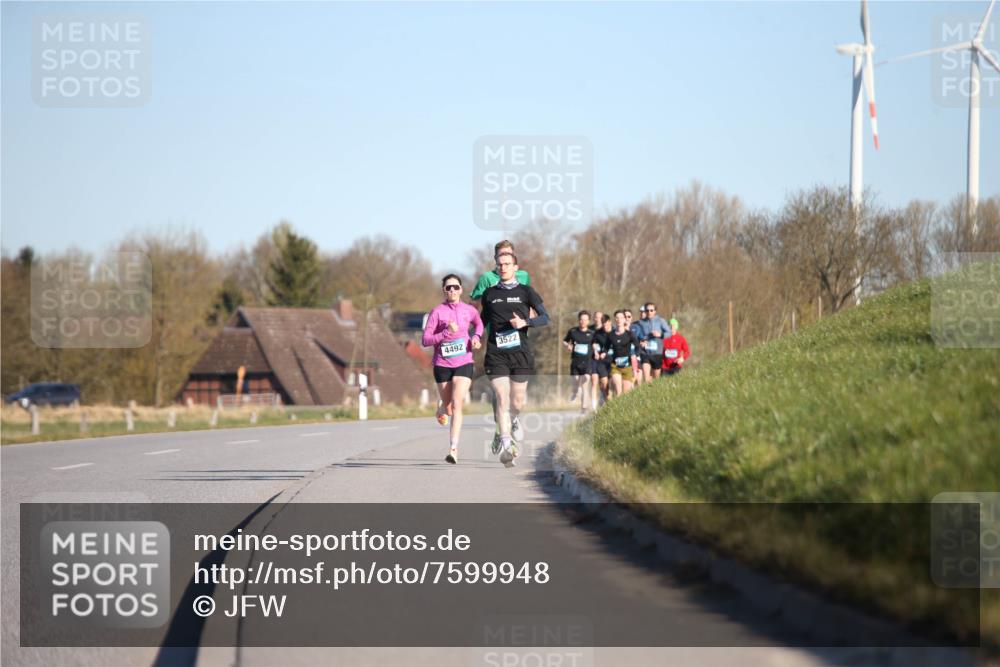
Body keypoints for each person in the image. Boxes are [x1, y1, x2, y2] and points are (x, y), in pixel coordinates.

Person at [480, 253, 548, 467]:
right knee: (501, 397)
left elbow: (545, 317)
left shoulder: (526, 292)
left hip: (520, 352)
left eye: (507, 264)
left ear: (515, 267)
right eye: (499, 264)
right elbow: (481, 322)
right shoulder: (489, 294)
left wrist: (525, 323)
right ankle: (507, 444)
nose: (503, 267)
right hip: (496, 353)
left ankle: (513, 419)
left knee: (517, 401)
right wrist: (473, 336)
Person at [421, 274, 484, 464]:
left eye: (455, 287)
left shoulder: (469, 310)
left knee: (457, 403)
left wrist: (476, 338)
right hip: (442, 364)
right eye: (448, 288)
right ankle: (441, 406)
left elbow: (479, 324)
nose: (452, 291)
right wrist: (447, 332)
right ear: (444, 291)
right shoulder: (437, 312)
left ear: (461, 289)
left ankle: (453, 449)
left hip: (464, 361)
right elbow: (425, 340)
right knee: (448, 408)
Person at [563, 310, 595, 414]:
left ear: (588, 321)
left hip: (587, 362)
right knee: (576, 381)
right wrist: (568, 346)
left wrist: (597, 350)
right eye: (581, 319)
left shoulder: (592, 334)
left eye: (585, 320)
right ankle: (575, 392)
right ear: (578, 320)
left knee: (585, 382)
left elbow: (596, 344)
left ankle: (583, 408)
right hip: (575, 362)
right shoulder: (573, 331)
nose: (583, 322)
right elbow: (565, 341)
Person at [604, 310, 640, 397]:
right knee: (618, 390)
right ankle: (616, 408)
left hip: (627, 366)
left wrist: (636, 355)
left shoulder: (629, 334)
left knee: (626, 393)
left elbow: (638, 347)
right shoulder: (611, 335)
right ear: (615, 319)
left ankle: (624, 409)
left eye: (621, 317)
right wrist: (603, 353)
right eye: (617, 318)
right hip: (615, 366)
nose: (619, 319)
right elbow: (605, 347)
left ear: (624, 320)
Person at [638, 302, 672, 381]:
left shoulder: (660, 321)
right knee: (646, 378)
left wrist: (660, 334)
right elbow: (637, 335)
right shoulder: (641, 322)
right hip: (645, 352)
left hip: (657, 353)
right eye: (647, 310)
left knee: (656, 379)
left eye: (651, 310)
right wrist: (640, 342)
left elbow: (669, 333)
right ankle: (646, 390)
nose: (649, 312)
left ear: (655, 311)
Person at [590, 311, 611, 407]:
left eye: (606, 324)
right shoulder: (598, 333)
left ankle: (611, 401)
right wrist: (595, 350)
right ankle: (606, 403)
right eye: (603, 325)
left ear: (609, 322)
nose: (605, 326)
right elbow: (593, 343)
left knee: (614, 382)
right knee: (604, 384)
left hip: (613, 361)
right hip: (602, 361)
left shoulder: (615, 332)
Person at [626, 309, 644, 385]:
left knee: (638, 377)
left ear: (632, 317)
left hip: (635, 355)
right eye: (625, 316)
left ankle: (638, 393)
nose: (627, 318)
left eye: (629, 316)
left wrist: (644, 342)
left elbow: (642, 338)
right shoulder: (618, 329)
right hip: (624, 357)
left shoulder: (636, 327)